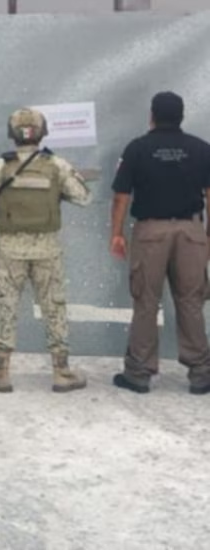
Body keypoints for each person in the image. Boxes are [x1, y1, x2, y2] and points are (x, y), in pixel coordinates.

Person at [0, 108, 91, 393]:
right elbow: (84, 197)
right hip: (47, 248)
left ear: (11, 133)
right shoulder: (57, 165)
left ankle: (0, 373)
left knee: (6, 307)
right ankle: (61, 372)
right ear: (43, 132)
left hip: (9, 248)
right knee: (54, 306)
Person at [110, 91, 210, 394]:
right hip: (191, 232)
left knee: (146, 301)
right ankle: (202, 373)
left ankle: (139, 374)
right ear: (181, 116)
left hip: (151, 232)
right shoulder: (201, 148)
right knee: (191, 301)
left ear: (152, 116)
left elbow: (121, 196)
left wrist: (117, 233)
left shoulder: (138, 148)